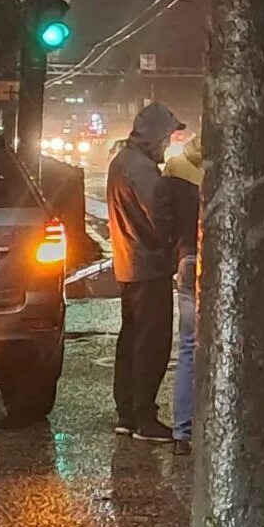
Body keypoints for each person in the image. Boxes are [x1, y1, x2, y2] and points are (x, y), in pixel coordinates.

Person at [107, 102, 185, 442]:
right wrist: (178, 242)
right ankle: (144, 419)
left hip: (129, 264)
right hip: (148, 265)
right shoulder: (142, 170)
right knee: (151, 344)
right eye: (167, 136)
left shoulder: (123, 162)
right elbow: (161, 215)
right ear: (155, 135)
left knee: (131, 340)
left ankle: (127, 413)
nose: (169, 143)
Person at [154, 135, 202, 456]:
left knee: (188, 346)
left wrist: (174, 247)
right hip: (222, 262)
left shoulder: (175, 167)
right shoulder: (233, 164)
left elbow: (161, 215)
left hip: (188, 259)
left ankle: (183, 432)